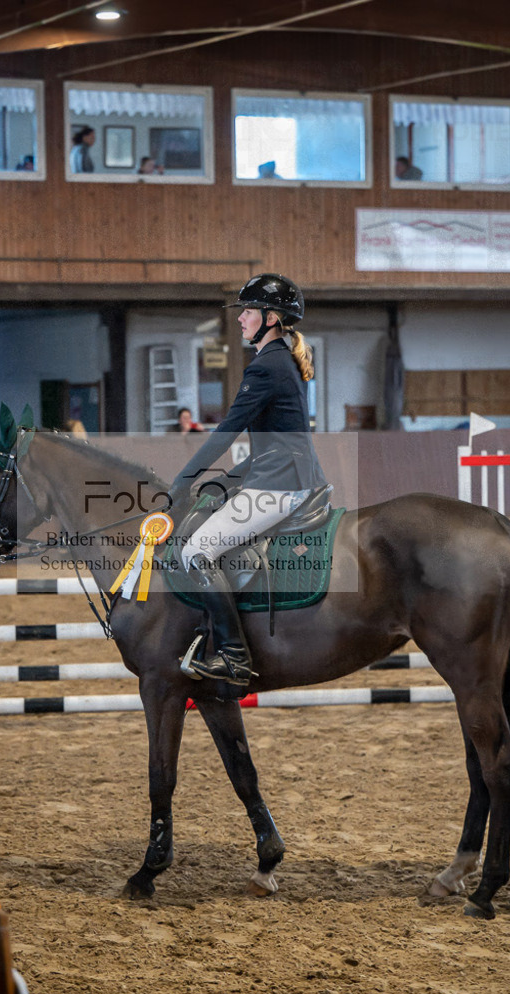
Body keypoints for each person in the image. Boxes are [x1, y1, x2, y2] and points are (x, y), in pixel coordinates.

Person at [168, 273, 327, 686]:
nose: (240, 319)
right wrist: (221, 481)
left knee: (197, 551)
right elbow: (269, 443)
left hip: (282, 486)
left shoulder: (267, 367)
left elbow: (226, 432)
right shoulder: (279, 360)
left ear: (271, 318)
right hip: (281, 474)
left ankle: (234, 655)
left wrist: (182, 481)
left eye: (248, 311)